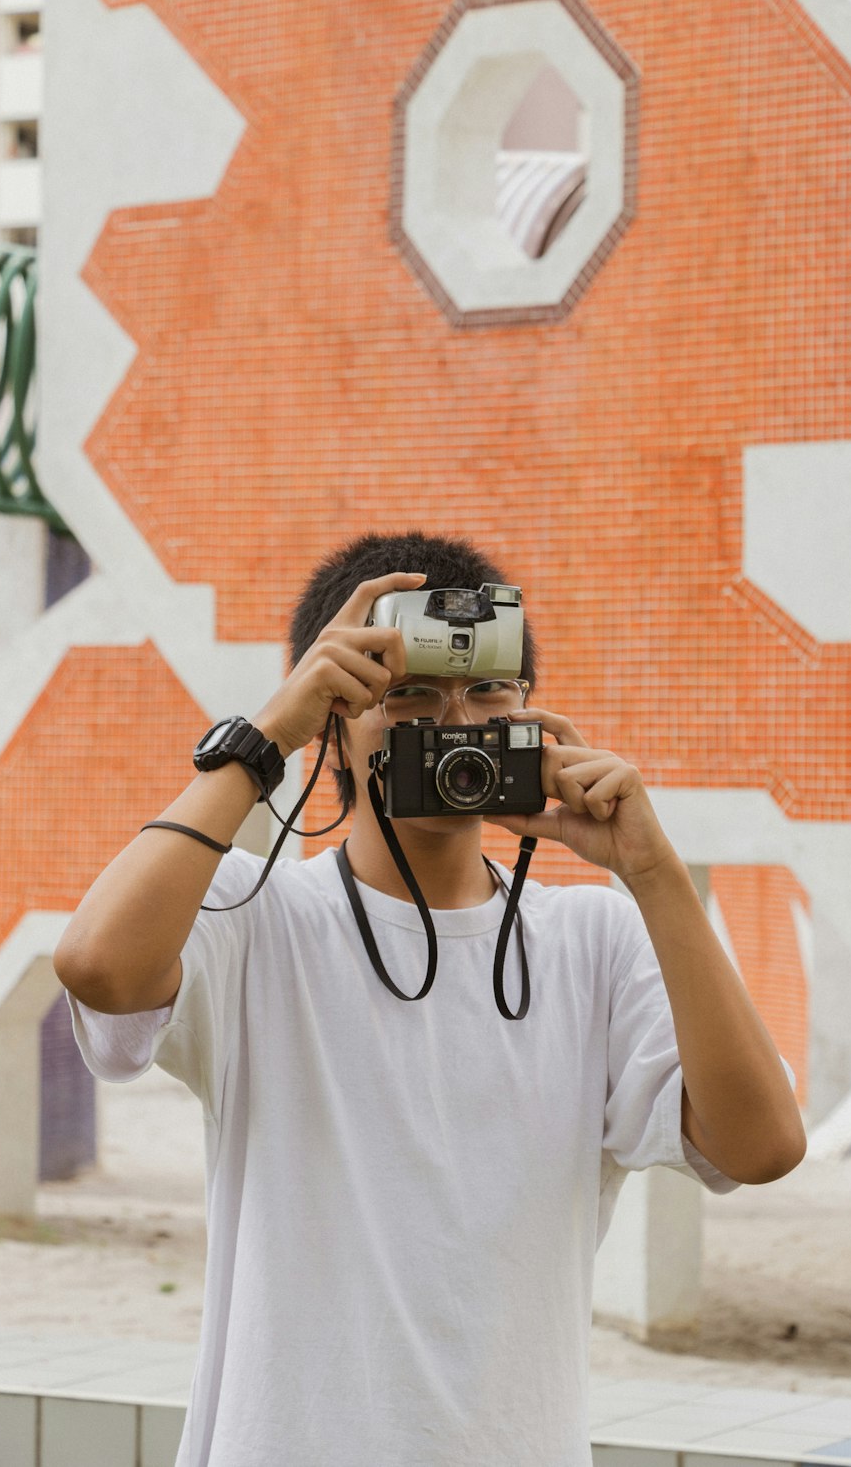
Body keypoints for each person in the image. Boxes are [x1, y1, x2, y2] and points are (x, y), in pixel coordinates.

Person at [55, 530, 805, 1467]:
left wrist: (650, 873)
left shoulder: (593, 939)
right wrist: (263, 739)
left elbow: (764, 1145)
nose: (455, 725)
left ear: (531, 712)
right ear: (335, 715)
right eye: (405, 693)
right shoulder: (256, 914)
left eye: (488, 691)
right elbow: (95, 966)